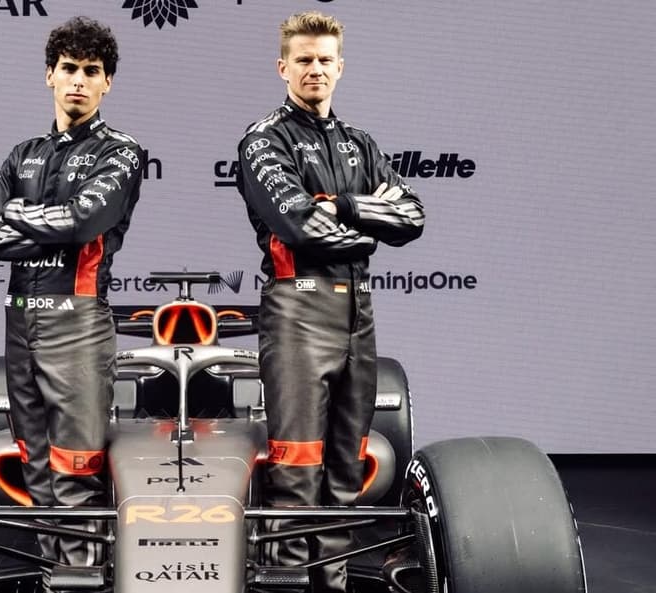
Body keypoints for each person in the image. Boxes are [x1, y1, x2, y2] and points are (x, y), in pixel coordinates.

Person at [235, 11, 424, 593]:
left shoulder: (360, 143)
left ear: (340, 67)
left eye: (324, 60)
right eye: (304, 60)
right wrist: (367, 214)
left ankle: (333, 583)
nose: (314, 69)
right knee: (297, 462)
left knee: (347, 464)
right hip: (298, 308)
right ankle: (288, 581)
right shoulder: (263, 140)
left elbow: (412, 218)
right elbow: (299, 226)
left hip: (358, 314)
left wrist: (339, 205)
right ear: (283, 67)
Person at [0, 15, 144, 571]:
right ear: (49, 74)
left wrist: (17, 217)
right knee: (36, 466)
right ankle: (57, 575)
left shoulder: (122, 152)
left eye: (91, 71)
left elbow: (82, 224)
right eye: (69, 68)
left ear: (106, 82)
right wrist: (42, 223)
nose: (78, 81)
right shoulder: (22, 154)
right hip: (20, 325)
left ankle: (85, 577)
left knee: (75, 468)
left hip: (77, 323)